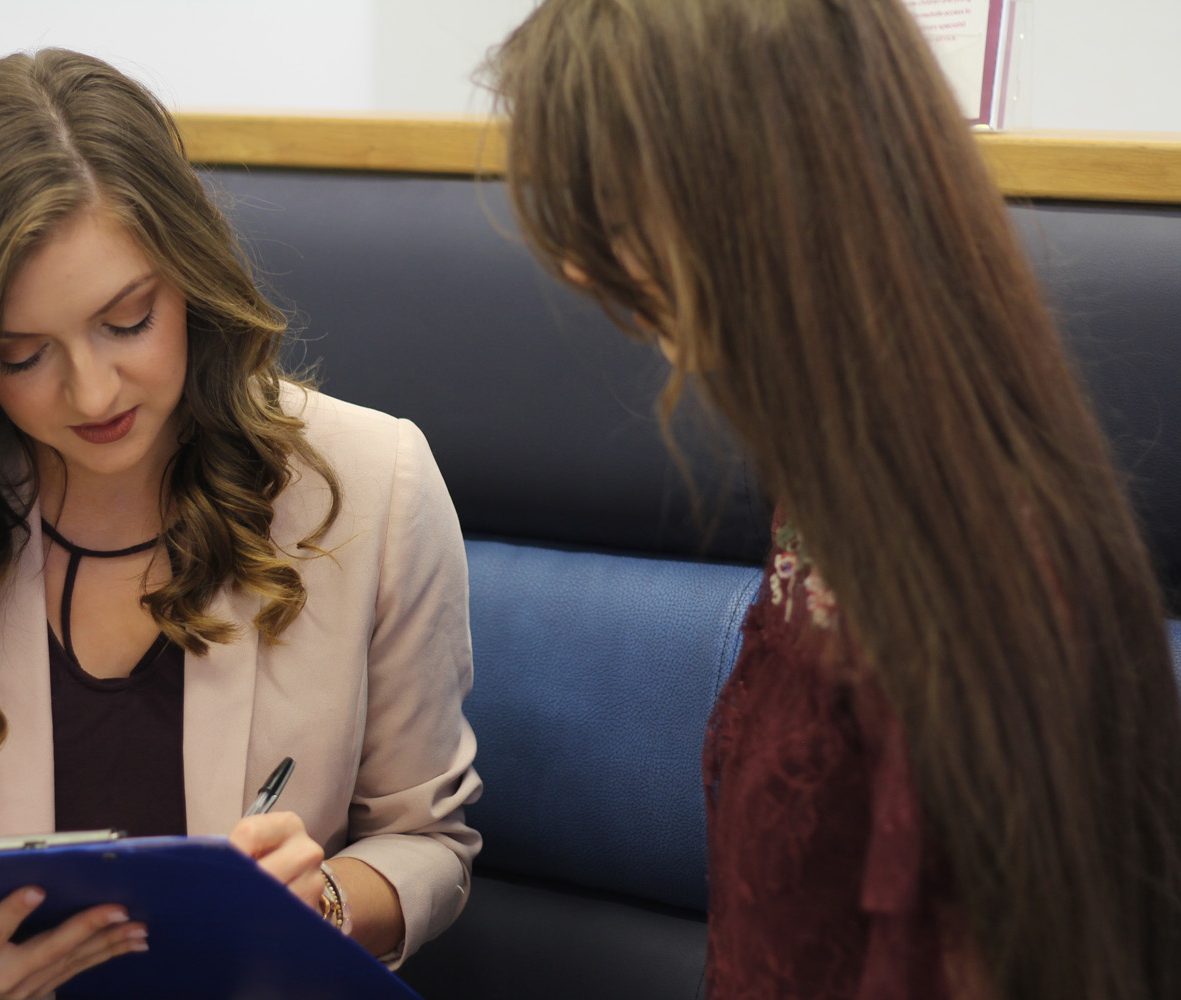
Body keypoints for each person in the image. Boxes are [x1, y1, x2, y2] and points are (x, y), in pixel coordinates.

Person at [486, 1, 1181, 998]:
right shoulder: (838, 505)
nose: (579, 267)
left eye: (611, 209)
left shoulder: (972, 580)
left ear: (759, 195)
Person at [0, 48, 480, 999]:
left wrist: (328, 900)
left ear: (188, 273)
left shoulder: (370, 486)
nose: (93, 391)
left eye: (128, 320)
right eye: (22, 355)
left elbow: (427, 840)